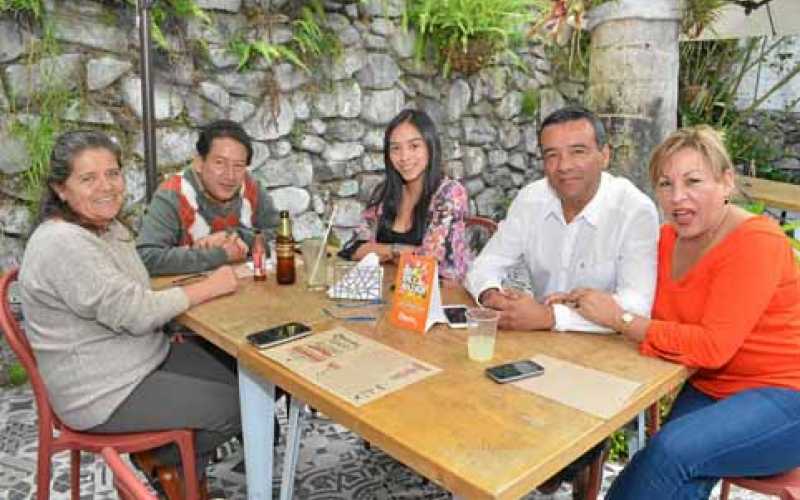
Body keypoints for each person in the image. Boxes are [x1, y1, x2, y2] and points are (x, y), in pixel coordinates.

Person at [567, 125, 800, 499]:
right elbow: (635, 297)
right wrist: (579, 300)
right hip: (712, 387)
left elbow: (712, 347)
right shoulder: (666, 240)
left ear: (726, 182)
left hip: (786, 396)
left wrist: (620, 320)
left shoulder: (757, 243)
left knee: (670, 454)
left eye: (693, 181)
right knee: (665, 468)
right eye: (665, 184)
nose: (677, 198)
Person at [19, 130, 241, 499]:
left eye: (112, 173)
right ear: (61, 189)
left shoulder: (104, 228)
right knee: (237, 406)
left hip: (140, 358)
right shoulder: (63, 243)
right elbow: (137, 311)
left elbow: (135, 292)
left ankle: (173, 464)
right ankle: (163, 463)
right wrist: (211, 286)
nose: (106, 187)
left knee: (248, 375)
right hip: (103, 392)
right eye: (88, 178)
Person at [465, 105, 659, 333]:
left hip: (608, 350)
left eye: (578, 152)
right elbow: (486, 264)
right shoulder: (531, 199)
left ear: (605, 156)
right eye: (552, 155)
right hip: (539, 342)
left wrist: (551, 317)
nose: (564, 166)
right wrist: (492, 295)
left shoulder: (635, 211)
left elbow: (637, 306)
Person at [341, 109, 471, 282]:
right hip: (389, 291)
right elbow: (353, 248)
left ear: (430, 147)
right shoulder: (384, 192)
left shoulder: (450, 194)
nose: (404, 157)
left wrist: (379, 251)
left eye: (414, 146)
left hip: (441, 298)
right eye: (395, 148)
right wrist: (395, 250)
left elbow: (429, 262)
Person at [137, 119, 277, 276]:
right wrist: (220, 254)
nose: (230, 175)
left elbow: (282, 237)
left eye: (238, 165)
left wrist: (237, 237)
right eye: (219, 163)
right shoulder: (173, 195)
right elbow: (146, 258)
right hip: (193, 293)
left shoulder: (251, 187)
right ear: (199, 163)